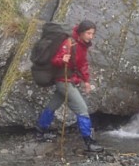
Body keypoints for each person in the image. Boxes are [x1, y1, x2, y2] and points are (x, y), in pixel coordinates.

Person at [36, 20, 103, 152]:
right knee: (82, 109)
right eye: (89, 33)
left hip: (70, 80)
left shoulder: (83, 45)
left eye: (93, 34)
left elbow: (82, 64)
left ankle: (40, 131)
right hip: (64, 81)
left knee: (52, 105)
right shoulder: (68, 43)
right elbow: (54, 60)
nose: (91, 36)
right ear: (81, 32)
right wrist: (62, 60)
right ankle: (89, 142)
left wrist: (87, 81)